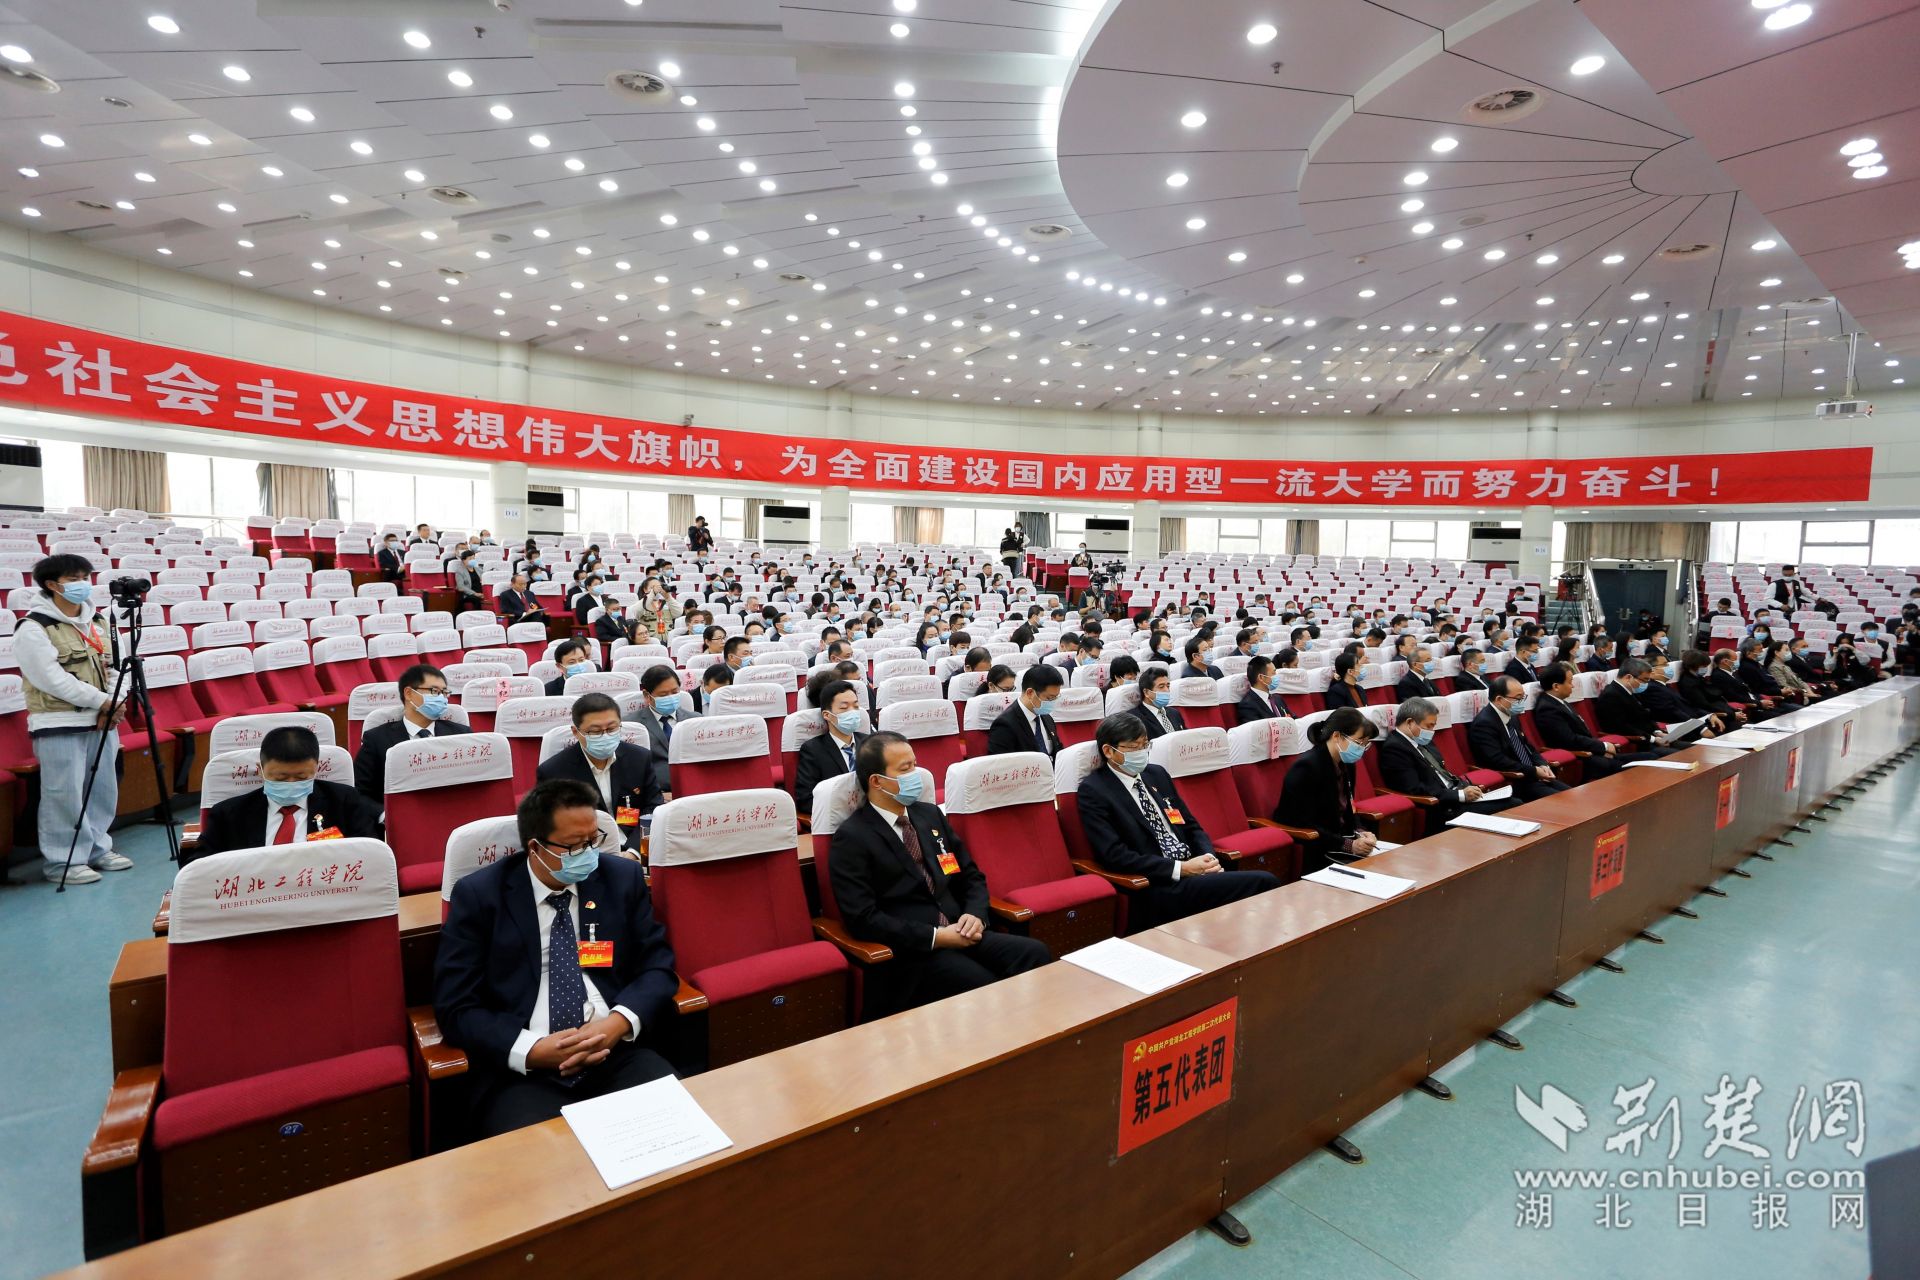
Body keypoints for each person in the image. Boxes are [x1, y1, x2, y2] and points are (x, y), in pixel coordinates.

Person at [433, 779, 678, 1137]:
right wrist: (531, 1050)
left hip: (616, 1052)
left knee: (675, 1134)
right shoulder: (481, 896)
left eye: (593, 841)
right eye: (575, 846)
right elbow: (456, 1006)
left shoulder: (620, 879)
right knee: (543, 1162)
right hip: (524, 1073)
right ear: (535, 847)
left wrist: (617, 1023)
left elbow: (657, 967)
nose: (588, 854)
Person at [829, 733, 1050, 1015]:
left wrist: (975, 914)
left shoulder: (929, 815)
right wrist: (937, 937)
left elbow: (969, 875)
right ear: (877, 781)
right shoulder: (853, 837)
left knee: (1034, 953)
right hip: (913, 950)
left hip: (961, 929)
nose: (916, 775)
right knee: (982, 985)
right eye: (905, 769)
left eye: (915, 764)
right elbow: (863, 918)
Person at [1075, 712, 1280, 925]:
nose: (1142, 752)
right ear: (1109, 751)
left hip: (1195, 868)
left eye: (1145, 745)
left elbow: (1190, 826)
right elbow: (1115, 855)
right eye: (1134, 747)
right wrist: (1182, 869)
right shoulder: (1095, 790)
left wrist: (1207, 858)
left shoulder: (1156, 774)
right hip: (1158, 883)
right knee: (1264, 882)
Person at [16, 554, 130, 885]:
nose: (82, 584)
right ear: (52, 585)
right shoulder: (33, 627)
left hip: (104, 719)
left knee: (102, 789)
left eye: (85, 577)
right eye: (73, 578)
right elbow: (50, 679)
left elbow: (119, 666)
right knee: (63, 794)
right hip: (59, 722)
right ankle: (63, 861)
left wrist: (115, 702)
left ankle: (98, 848)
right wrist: (103, 702)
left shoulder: (100, 622)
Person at [189, 726, 382, 865]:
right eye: (280, 778)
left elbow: (369, 852)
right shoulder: (229, 814)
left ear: (316, 769)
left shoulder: (343, 801)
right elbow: (198, 866)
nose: (291, 783)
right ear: (260, 770)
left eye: (301, 777)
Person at [536, 694, 661, 853]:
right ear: (576, 732)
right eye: (595, 732)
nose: (605, 736)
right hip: (586, 852)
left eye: (612, 729)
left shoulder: (639, 758)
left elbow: (653, 808)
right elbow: (551, 826)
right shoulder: (553, 772)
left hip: (636, 847)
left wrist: (635, 852)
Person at [1275, 707, 1381, 872]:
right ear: (1337, 736)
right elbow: (1301, 823)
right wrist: (1348, 845)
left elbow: (1348, 807)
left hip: (1341, 840)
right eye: (1359, 743)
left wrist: (1361, 832)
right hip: (1316, 846)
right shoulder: (1307, 767)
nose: (1361, 749)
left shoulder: (1347, 763)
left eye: (1365, 744)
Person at [1376, 698, 1508, 827]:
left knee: (1509, 801)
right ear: (1410, 722)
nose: (1431, 731)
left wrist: (1467, 788)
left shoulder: (1422, 740)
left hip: (1456, 796)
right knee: (1510, 805)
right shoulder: (1394, 749)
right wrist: (1460, 795)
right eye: (1429, 726)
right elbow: (1414, 789)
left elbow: (1443, 773)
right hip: (1442, 808)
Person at [353, 663, 473, 800]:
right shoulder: (376, 739)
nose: (442, 699)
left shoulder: (462, 734)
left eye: (444, 693)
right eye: (435, 691)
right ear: (409, 693)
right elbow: (361, 794)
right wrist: (386, 812)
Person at [1466, 676, 1568, 802]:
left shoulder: (1511, 715)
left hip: (1532, 775)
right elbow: (1497, 760)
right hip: (1515, 781)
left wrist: (1542, 764)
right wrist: (1533, 771)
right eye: (1518, 698)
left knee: (1570, 794)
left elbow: (1527, 746)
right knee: (1561, 801)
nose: (1521, 702)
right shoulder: (1483, 724)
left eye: (1523, 697)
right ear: (1499, 699)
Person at [795, 679, 866, 818]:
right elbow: (805, 800)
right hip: (839, 819)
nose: (852, 712)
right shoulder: (813, 750)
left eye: (856, 706)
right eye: (844, 708)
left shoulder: (869, 743)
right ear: (827, 715)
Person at [624, 665, 694, 797]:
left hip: (692, 792)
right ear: (647, 695)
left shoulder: (695, 720)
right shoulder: (631, 725)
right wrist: (656, 796)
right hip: (652, 795)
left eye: (674, 692)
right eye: (663, 694)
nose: (670, 697)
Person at [1590, 659, 1682, 758]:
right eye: (1645, 680)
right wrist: (1653, 739)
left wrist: (1657, 732)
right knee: (1679, 755)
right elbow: (1622, 727)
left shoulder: (1630, 689)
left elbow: (1645, 716)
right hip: (1638, 742)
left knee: (1687, 747)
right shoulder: (1610, 695)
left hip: (1649, 736)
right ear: (1628, 677)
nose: (1647, 683)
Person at [988, 664, 1064, 758]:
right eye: (1049, 698)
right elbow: (1002, 764)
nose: (1052, 702)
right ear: (1030, 693)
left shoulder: (1047, 718)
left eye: (1055, 698)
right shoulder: (1004, 725)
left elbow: (1058, 752)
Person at [1134, 666, 1187, 738]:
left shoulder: (1174, 713)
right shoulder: (1135, 718)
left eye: (1168, 686)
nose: (1167, 690)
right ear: (1146, 692)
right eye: (1161, 687)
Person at [1236, 655, 1288, 722]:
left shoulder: (1277, 698)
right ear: (1261, 677)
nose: (1276, 676)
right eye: (1273, 673)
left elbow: (1292, 718)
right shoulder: (1247, 705)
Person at [450, 547, 485, 614]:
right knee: (476, 599)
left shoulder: (479, 570)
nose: (473, 560)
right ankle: (478, 617)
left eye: (473, 558)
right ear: (464, 560)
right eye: (470, 559)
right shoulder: (460, 571)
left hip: (481, 593)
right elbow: (460, 587)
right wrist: (475, 594)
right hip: (468, 594)